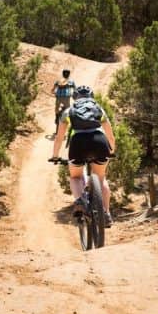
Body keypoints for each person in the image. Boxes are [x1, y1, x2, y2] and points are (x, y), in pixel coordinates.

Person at [50, 85, 116, 227]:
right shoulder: (99, 109)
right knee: (101, 178)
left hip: (78, 144)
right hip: (100, 142)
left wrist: (55, 156)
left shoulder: (68, 111)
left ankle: (80, 201)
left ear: (75, 97)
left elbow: (59, 137)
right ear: (91, 97)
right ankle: (106, 213)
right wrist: (111, 151)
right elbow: (110, 135)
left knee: (75, 176)